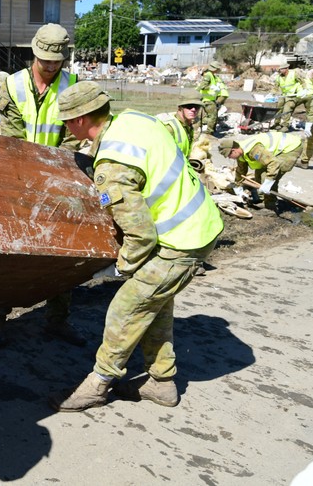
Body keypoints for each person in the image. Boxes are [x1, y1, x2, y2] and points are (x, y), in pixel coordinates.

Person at [49, 81, 223, 412]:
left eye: (67, 121)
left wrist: (118, 268)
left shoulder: (112, 168)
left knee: (126, 308)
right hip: (201, 224)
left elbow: (141, 236)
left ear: (79, 120)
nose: (67, 127)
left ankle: (98, 384)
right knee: (154, 303)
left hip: (180, 242)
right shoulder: (134, 119)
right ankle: (162, 382)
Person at [0, 23, 83, 348]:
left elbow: (73, 138)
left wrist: (58, 174)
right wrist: (25, 178)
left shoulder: (73, 86)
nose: (52, 66)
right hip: (18, 181)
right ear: (34, 54)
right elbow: (10, 138)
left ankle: (58, 320)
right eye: (46, 60)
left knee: (61, 255)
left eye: (57, 61)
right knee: (10, 254)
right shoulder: (12, 85)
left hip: (59, 181)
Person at [218, 132, 302, 211]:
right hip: (277, 152)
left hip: (290, 147)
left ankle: (270, 206)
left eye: (229, 155)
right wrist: (238, 186)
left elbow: (274, 163)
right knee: (259, 174)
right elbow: (241, 170)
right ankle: (262, 200)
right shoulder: (240, 153)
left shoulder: (254, 150)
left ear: (234, 150)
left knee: (266, 177)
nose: (229, 158)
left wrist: (268, 182)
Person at [271, 63, 313, 131]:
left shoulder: (293, 74)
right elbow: (275, 86)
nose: (280, 70)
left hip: (293, 95)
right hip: (284, 95)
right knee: (279, 107)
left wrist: (304, 89)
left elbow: (302, 82)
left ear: (287, 68)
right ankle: (276, 123)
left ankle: (285, 125)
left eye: (282, 69)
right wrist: (273, 93)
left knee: (287, 108)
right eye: (280, 69)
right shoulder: (279, 77)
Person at [196, 61, 228, 135]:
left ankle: (210, 130)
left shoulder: (212, 76)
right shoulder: (208, 75)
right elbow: (202, 87)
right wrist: (212, 87)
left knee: (213, 116)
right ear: (215, 69)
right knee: (213, 117)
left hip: (211, 99)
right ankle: (209, 132)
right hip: (207, 100)